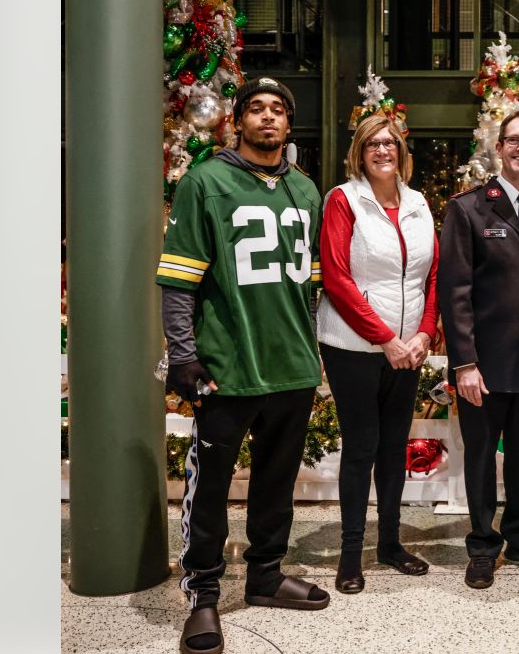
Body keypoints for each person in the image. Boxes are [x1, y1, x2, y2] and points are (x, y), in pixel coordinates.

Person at [157, 77, 328, 654]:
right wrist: (183, 354)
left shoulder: (306, 189)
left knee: (277, 484)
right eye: (256, 108)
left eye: (278, 110)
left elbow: (311, 289)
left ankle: (264, 576)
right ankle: (203, 595)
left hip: (291, 368)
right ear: (239, 120)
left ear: (289, 123)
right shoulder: (205, 181)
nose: (268, 118)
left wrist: (312, 352)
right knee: (209, 491)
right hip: (227, 367)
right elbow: (179, 279)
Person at [437, 110, 519, 589]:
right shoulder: (468, 209)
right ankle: (483, 545)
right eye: (514, 140)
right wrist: (464, 363)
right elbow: (456, 292)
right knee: (482, 457)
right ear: (499, 147)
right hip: (483, 367)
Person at [316, 114, 439, 595]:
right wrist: (387, 339)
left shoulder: (419, 202)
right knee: (362, 447)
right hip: (354, 347)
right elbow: (337, 278)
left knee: (393, 449)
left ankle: (389, 543)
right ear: (360, 153)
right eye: (373, 144)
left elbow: (431, 276)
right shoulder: (344, 200)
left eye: (390, 143)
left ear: (401, 151)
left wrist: (424, 335)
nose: (382, 150)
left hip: (408, 350)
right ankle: (350, 556)